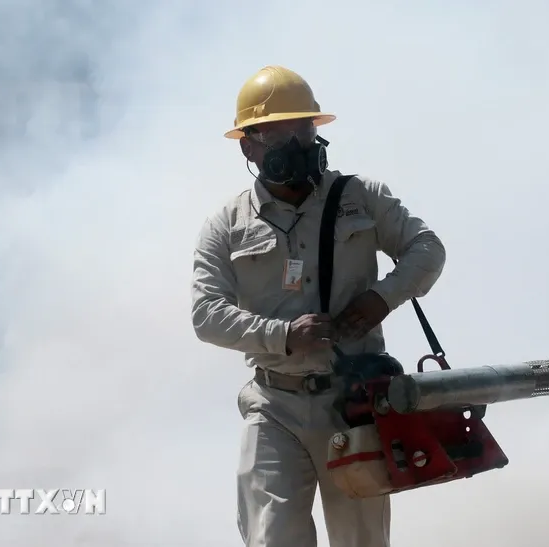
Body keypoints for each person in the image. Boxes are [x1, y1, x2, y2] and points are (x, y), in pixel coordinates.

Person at [191, 65, 446, 547]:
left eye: (304, 128)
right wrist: (282, 335)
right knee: (273, 538)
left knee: (362, 540)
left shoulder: (361, 198)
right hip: (274, 405)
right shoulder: (226, 223)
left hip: (351, 402)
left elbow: (427, 249)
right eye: (279, 132)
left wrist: (381, 298)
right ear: (248, 145)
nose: (297, 141)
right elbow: (206, 314)